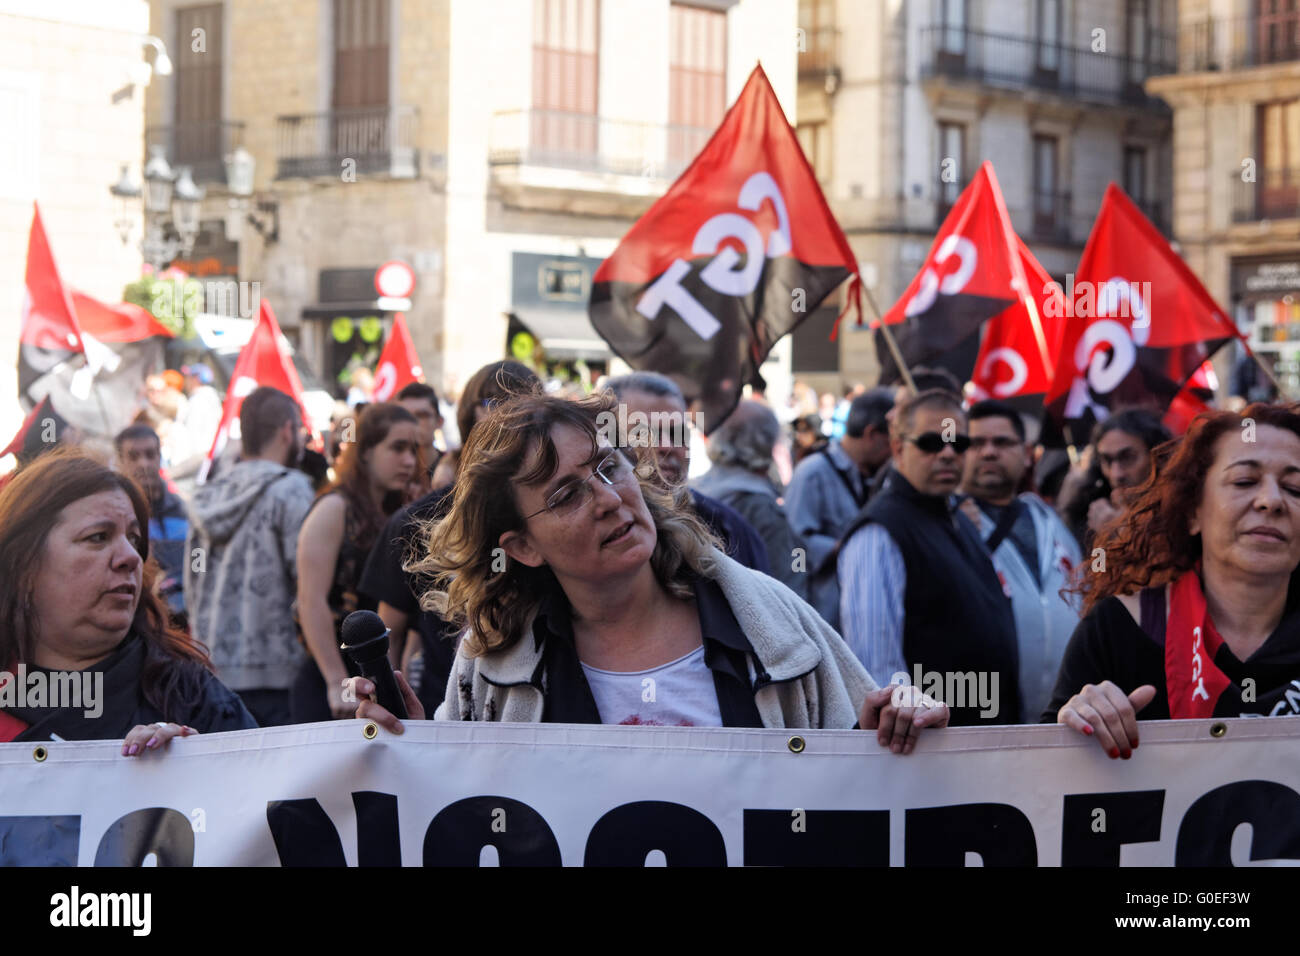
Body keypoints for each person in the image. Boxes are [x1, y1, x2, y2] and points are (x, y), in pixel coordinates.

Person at [349, 391, 949, 750]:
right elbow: (468, 812)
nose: (609, 498)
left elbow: (850, 793)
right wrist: (416, 749)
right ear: (523, 547)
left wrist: (891, 723)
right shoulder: (494, 658)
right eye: (565, 497)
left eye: (609, 467)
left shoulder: (771, 622)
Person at [1047, 403, 1300, 756]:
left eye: (1295, 488)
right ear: (1193, 511)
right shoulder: (1115, 627)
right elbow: (1044, 781)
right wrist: (1077, 720)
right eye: (1245, 481)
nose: (1271, 501)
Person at [0, 449, 256, 746]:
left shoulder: (191, 697)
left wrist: (201, 766)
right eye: (98, 537)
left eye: (134, 539)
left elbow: (263, 788)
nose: (131, 557)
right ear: (22, 566)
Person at [360, 361, 541, 715]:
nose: (509, 416)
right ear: (467, 418)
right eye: (493, 403)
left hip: (532, 710)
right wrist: (392, 709)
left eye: (523, 405)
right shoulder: (419, 519)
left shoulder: (554, 514)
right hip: (442, 711)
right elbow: (389, 632)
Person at [837, 389, 1019, 725]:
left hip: (985, 743)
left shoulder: (959, 519)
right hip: (928, 754)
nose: (948, 453)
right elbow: (879, 677)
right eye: (932, 443)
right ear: (897, 448)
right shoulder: (878, 533)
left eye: (959, 443)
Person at [184, 387, 314, 728]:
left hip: (215, 673)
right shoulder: (292, 491)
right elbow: (308, 583)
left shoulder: (206, 495)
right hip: (280, 675)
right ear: (287, 430)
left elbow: (193, 578)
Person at [292, 403, 419, 721]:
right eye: (397, 448)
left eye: (414, 449)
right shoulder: (335, 508)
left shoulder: (396, 512)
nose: (409, 460)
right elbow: (310, 601)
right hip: (332, 679)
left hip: (379, 677)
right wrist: (336, 682)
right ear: (365, 452)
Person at [959, 400, 1082, 724]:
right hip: (980, 726)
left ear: (1028, 453)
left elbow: (1087, 588)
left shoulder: (1049, 521)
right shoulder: (944, 523)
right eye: (975, 443)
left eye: (1002, 442)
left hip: (1060, 727)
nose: (988, 452)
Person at [603, 372, 770, 575]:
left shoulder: (730, 530)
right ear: (607, 441)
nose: (667, 446)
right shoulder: (594, 535)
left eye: (677, 433)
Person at [785, 387, 895, 627]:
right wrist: (845, 547)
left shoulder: (884, 476)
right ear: (872, 434)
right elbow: (794, 550)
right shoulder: (812, 473)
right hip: (826, 618)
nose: (895, 453)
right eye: (892, 442)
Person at [691, 400, 807, 598]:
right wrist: (803, 557)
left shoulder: (695, 490)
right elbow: (792, 578)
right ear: (766, 443)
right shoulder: (761, 507)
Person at [1057, 409, 1171, 549]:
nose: (1116, 474)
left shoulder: (1177, 508)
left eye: (1128, 457)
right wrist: (1102, 541)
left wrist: (1120, 534)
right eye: (1107, 460)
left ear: (1156, 456)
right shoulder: (1094, 514)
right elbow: (1098, 568)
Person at [114, 424, 189, 622]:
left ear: (159, 457)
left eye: (150, 454)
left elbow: (200, 562)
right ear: (121, 462)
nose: (143, 464)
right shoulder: (115, 517)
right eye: (133, 456)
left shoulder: (185, 511)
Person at [396, 381, 444, 488]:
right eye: (405, 415)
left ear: (439, 422)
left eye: (422, 415)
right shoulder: (388, 472)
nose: (413, 422)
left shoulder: (455, 469)